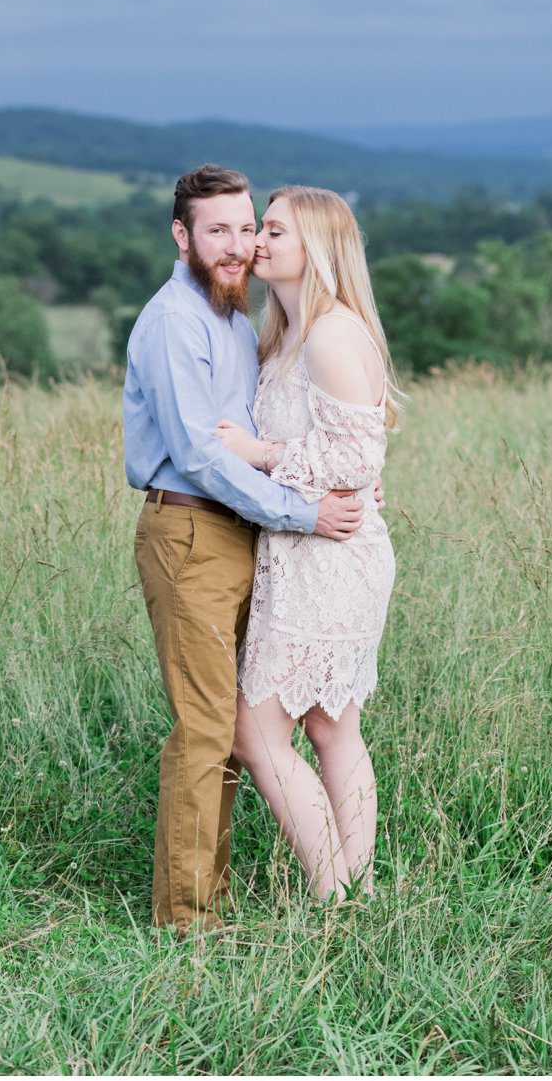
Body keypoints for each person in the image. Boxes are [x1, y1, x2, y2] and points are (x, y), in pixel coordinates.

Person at [121, 164, 369, 932]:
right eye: (219, 229)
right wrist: (301, 510)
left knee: (249, 728)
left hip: (252, 537)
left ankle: (325, 894)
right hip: (192, 529)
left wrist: (341, 486)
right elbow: (199, 458)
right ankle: (191, 919)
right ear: (182, 235)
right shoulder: (174, 321)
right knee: (207, 726)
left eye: (248, 226)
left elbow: (320, 437)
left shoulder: (238, 322)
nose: (238, 245)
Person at [217, 186, 401, 901]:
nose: (258, 240)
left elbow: (358, 462)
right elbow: (347, 451)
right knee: (330, 727)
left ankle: (332, 891)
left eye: (273, 229)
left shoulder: (329, 332)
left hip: (332, 559)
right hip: (307, 550)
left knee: (254, 732)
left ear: (317, 247)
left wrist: (259, 454)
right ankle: (356, 893)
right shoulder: (287, 331)